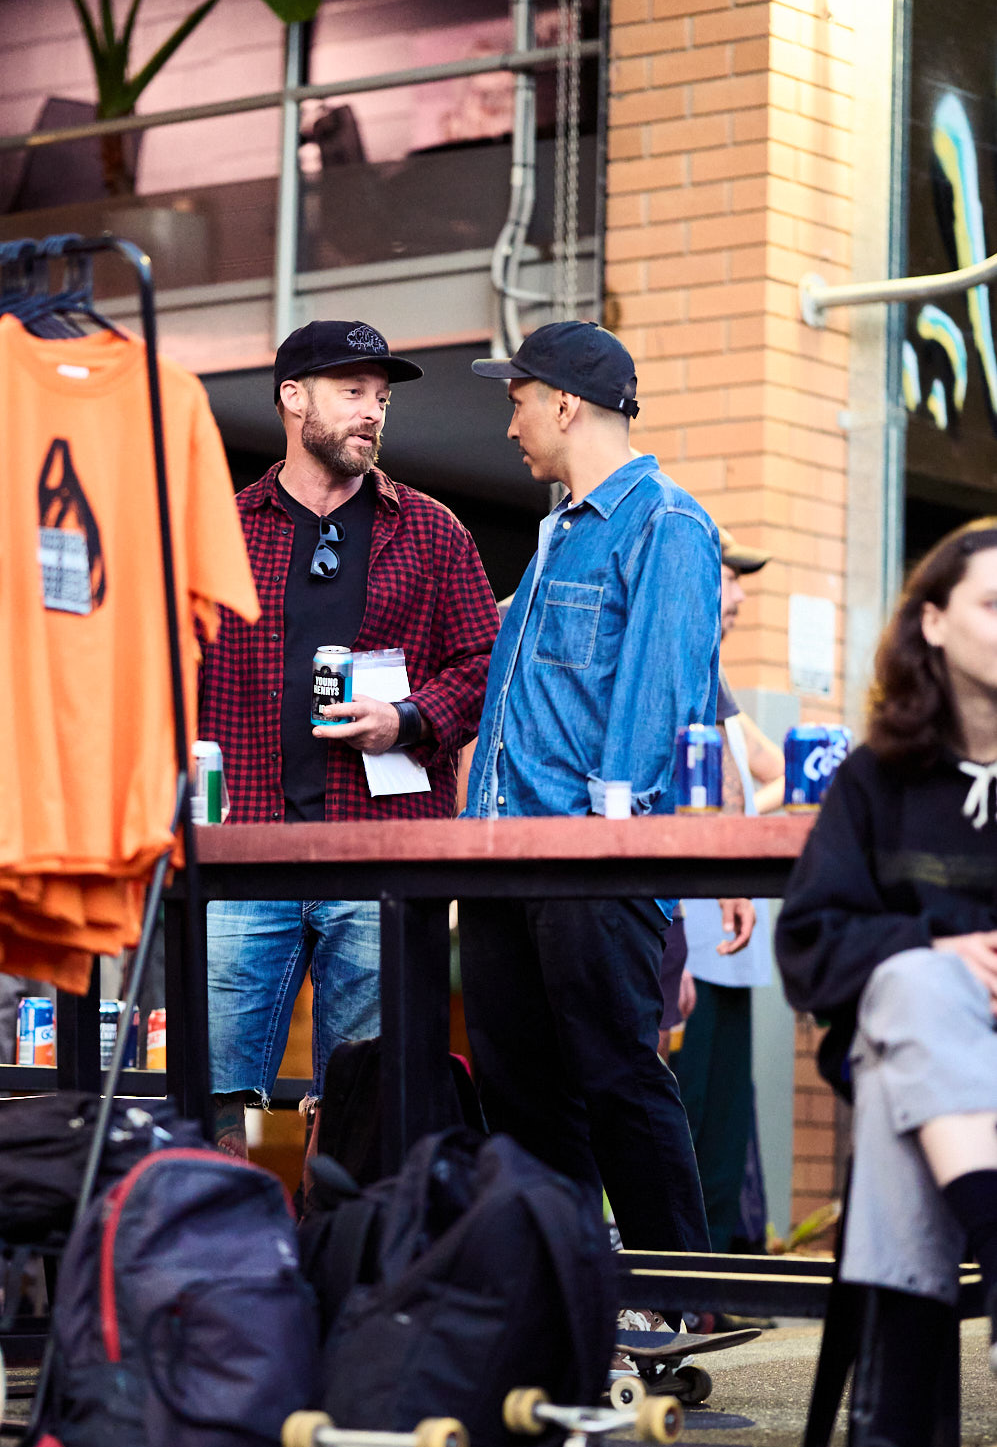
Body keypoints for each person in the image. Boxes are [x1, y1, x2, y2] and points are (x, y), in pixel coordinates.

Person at [198, 319, 499, 1157]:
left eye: (381, 397)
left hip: (380, 853)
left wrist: (408, 719)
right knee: (210, 1088)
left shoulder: (432, 531)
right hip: (244, 847)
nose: (372, 411)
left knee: (366, 1094)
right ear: (293, 398)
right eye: (352, 392)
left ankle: (339, 1233)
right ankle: (214, 1227)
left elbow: (485, 663)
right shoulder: (220, 529)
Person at [458, 320, 721, 1252]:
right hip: (500, 859)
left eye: (518, 403)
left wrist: (610, 849)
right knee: (520, 1092)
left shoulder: (666, 525)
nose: (509, 426)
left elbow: (658, 701)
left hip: (589, 860)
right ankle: (563, 1285)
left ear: (565, 404)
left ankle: (674, 1297)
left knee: (615, 1078)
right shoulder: (555, 537)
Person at [778, 519, 997, 1447]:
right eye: (993, 604)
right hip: (925, 1044)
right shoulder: (877, 778)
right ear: (934, 623)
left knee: (896, 1075)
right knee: (909, 995)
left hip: (918, 1072)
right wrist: (943, 947)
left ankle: (897, 1432)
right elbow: (809, 948)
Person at [674, 533, 785, 1251]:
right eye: (728, 578)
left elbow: (779, 775)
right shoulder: (671, 668)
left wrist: (745, 824)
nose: (740, 595)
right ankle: (678, 1273)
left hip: (734, 942)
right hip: (685, 937)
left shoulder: (722, 691)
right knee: (680, 1118)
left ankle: (713, 1279)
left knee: (723, 1126)